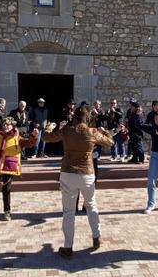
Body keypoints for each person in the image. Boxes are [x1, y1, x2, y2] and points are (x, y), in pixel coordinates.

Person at [42, 106, 113, 258]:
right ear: (87, 118)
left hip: (68, 172)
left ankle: (68, 247)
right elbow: (110, 142)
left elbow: (46, 138)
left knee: (68, 212)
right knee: (91, 205)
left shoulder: (67, 130)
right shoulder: (93, 132)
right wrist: (104, 131)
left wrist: (49, 127)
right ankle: (96, 237)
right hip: (87, 172)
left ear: (74, 117)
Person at [0, 116, 38, 222]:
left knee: (6, 190)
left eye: (8, 124)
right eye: (4, 124)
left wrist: (33, 136)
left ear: (13, 126)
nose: (5, 126)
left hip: (8, 167)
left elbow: (29, 143)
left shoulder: (17, 137)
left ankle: (7, 211)